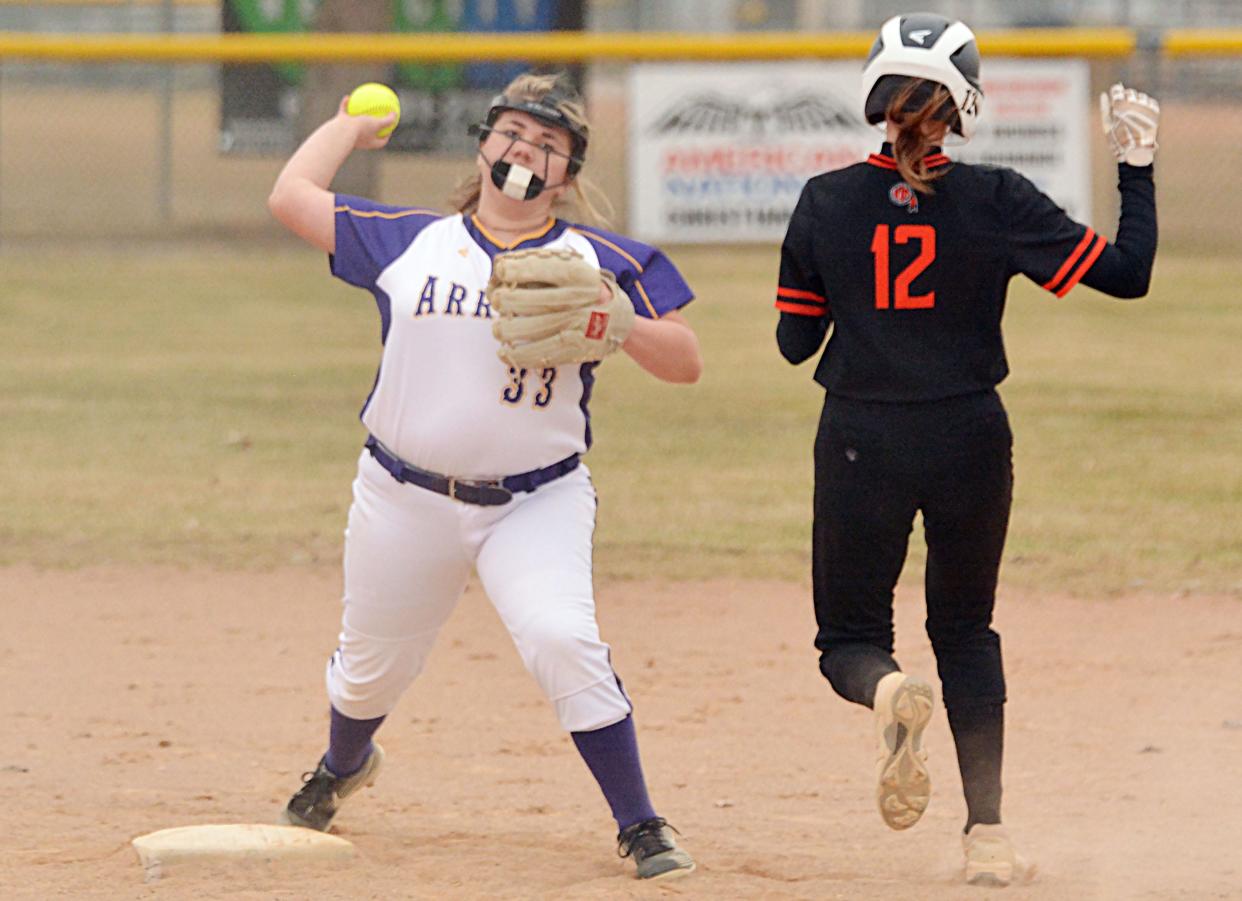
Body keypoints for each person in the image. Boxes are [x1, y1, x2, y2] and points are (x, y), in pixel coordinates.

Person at [266, 71, 702, 881]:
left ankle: (641, 822)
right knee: (368, 669)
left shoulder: (599, 259)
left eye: (549, 146)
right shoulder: (409, 240)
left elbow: (687, 362)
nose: (525, 153)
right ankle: (342, 763)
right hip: (402, 494)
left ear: (568, 175)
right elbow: (291, 197)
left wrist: (624, 323)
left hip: (534, 501)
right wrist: (347, 129)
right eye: (512, 134)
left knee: (561, 636)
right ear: (484, 144)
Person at [774, 13, 1158, 887]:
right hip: (970, 437)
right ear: (962, 105)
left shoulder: (826, 200)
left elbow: (796, 343)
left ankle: (886, 691)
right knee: (965, 628)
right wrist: (1135, 167)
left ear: (877, 97)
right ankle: (986, 833)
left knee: (850, 640)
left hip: (862, 436)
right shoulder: (996, 198)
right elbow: (1129, 272)